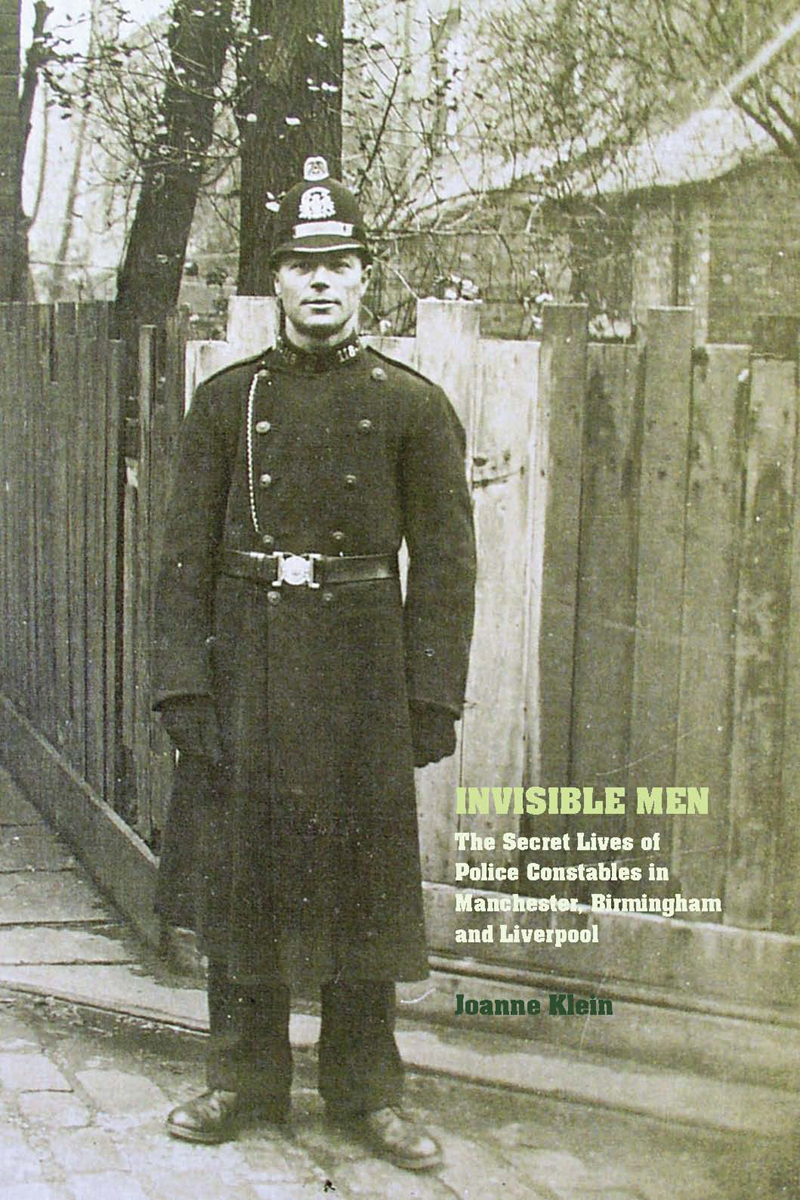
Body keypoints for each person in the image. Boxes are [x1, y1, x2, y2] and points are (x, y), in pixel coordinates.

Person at [152, 156, 476, 1171]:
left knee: (360, 879)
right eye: (302, 264)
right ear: (277, 282)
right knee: (242, 873)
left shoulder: (411, 405)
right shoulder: (225, 403)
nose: (322, 281)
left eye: (340, 263)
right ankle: (240, 1079)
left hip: (360, 675)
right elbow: (182, 557)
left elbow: (446, 561)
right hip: (246, 665)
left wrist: (430, 694)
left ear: (365, 277)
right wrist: (183, 683)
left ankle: (365, 1090)